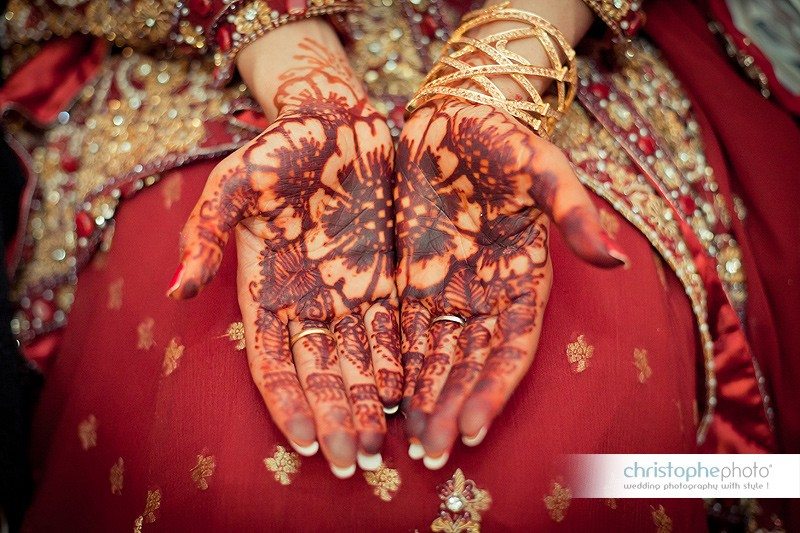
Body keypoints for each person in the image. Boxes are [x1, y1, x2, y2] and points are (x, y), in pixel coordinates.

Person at [1, 0, 795, 530]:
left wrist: (505, 69)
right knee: (219, 475)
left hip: (548, 34)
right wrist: (295, 71)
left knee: (579, 469)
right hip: (221, 45)